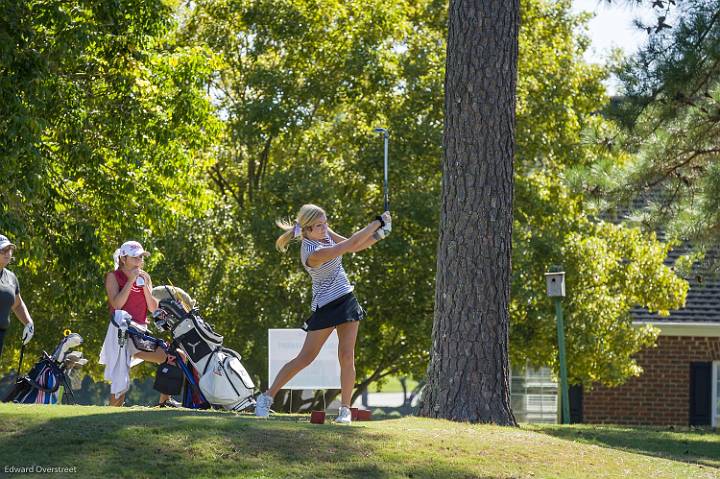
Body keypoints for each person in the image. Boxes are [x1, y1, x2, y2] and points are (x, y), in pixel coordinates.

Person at [255, 204, 391, 423]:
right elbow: (350, 244)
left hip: (346, 299)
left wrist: (381, 234)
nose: (324, 228)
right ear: (307, 230)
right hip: (325, 306)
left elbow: (356, 246)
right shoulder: (311, 253)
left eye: (325, 223)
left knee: (347, 356)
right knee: (305, 358)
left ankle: (345, 410)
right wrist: (376, 222)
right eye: (319, 225)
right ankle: (266, 397)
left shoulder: (326, 235)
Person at [100, 240, 178, 407]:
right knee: (121, 379)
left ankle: (164, 404)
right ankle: (110, 415)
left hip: (140, 332)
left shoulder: (145, 277)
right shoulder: (113, 277)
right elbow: (117, 305)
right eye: (135, 257)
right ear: (123, 259)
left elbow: (152, 308)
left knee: (173, 357)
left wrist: (144, 287)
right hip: (121, 332)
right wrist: (130, 281)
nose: (139, 261)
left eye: (141, 257)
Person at [0, 234, 35, 363]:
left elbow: (17, 305)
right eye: (3, 250)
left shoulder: (11, 277)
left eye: (9, 249)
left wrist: (28, 323)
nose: (7, 253)